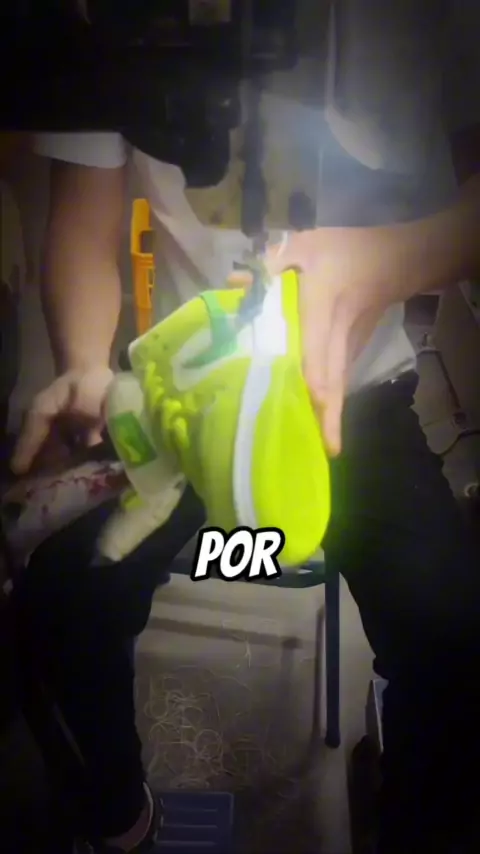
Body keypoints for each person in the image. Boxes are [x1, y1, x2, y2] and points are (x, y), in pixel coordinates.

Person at [9, 2, 480, 852]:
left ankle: (413, 814)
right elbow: (83, 222)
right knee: (65, 598)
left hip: (354, 407)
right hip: (193, 411)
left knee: (452, 633)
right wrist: (83, 363)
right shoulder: (116, 27)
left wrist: (387, 261)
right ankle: (125, 823)